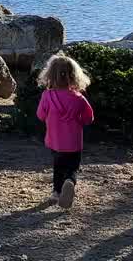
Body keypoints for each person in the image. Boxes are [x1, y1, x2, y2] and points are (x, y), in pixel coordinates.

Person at [37, 53, 95, 209]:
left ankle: (56, 192)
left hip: (55, 141)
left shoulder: (47, 96)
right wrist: (78, 121)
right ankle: (70, 181)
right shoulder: (79, 98)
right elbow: (89, 118)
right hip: (74, 142)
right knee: (72, 168)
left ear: (50, 75)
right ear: (75, 75)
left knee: (58, 166)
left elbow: (40, 115)